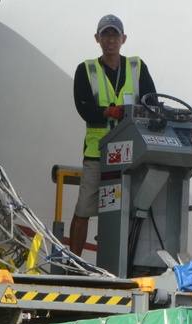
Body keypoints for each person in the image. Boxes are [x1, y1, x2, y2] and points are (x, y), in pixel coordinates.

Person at [68, 13, 156, 256]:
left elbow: (153, 103)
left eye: (115, 34)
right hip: (98, 153)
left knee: (130, 210)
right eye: (105, 34)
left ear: (123, 39)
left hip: (132, 154)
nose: (110, 39)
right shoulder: (86, 69)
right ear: (97, 38)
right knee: (84, 208)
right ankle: (73, 266)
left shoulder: (137, 67)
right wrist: (107, 111)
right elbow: (83, 107)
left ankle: (125, 264)